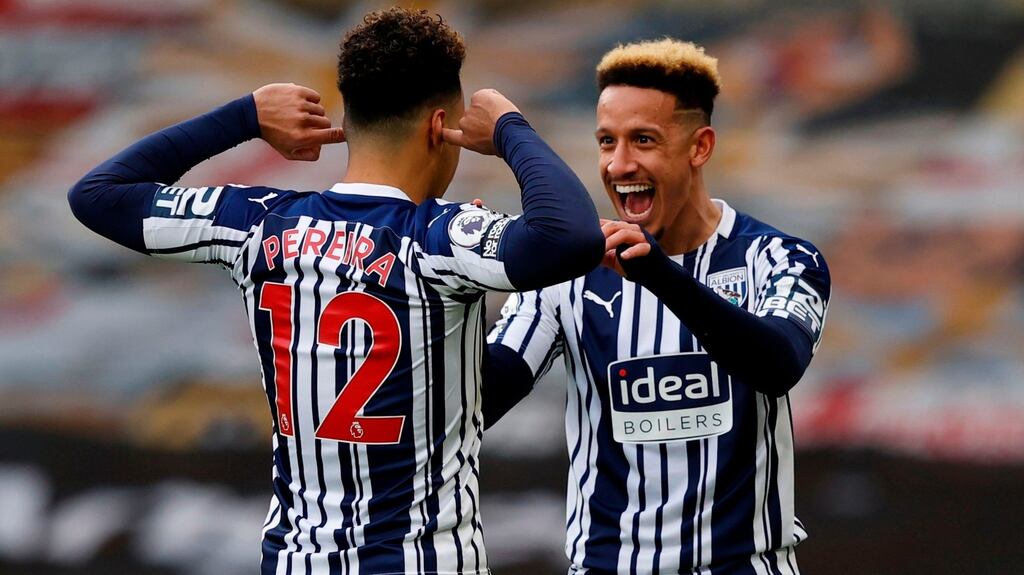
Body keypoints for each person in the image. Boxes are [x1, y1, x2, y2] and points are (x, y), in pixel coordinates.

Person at [68, 8, 604, 575]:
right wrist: (510, 130)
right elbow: (568, 234)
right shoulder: (437, 237)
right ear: (438, 127)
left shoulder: (262, 224)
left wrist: (244, 117)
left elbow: (98, 195)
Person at [484, 39, 831, 574]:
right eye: (607, 142)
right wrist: (455, 296)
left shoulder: (777, 257)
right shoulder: (571, 274)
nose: (620, 164)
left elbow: (777, 363)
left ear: (700, 146)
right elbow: (481, 399)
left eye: (643, 140)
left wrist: (657, 275)